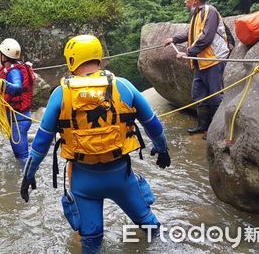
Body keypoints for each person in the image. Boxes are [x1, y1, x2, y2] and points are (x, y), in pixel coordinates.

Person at [20, 35, 170, 253]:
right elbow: (152, 123)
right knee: (150, 225)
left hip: (84, 181)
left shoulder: (61, 94)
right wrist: (162, 149)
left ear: (72, 60)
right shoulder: (124, 86)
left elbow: (41, 143)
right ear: (98, 56)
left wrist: (28, 175)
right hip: (121, 176)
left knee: (91, 239)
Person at [164, 0, 230, 136]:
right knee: (199, 95)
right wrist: (173, 39)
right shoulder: (196, 15)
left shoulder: (209, 11)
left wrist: (187, 53)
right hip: (200, 62)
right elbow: (190, 33)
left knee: (215, 96)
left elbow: (206, 37)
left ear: (195, 0)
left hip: (213, 60)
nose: (185, 1)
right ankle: (203, 126)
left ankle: (217, 131)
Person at [0, 38, 35, 165]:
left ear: (4, 56)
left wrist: (2, 84)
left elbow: (17, 87)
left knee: (22, 157)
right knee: (20, 155)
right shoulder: (12, 70)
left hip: (19, 120)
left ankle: (27, 179)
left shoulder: (14, 72)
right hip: (18, 118)